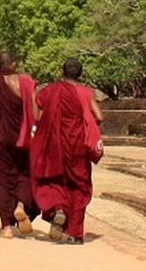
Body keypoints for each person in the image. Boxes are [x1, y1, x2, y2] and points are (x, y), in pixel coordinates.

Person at [30, 56, 104, 245]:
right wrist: (83, 125)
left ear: (62, 72)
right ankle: (76, 234)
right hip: (78, 145)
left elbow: (37, 116)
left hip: (54, 144)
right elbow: (99, 116)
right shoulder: (86, 93)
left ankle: (58, 208)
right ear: (80, 74)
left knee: (54, 179)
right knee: (79, 186)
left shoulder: (50, 91)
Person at [0, 52, 40, 238]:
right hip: (22, 136)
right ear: (14, 63)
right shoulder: (26, 82)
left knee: (1, 178)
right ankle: (20, 205)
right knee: (24, 172)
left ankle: (6, 227)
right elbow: (35, 113)